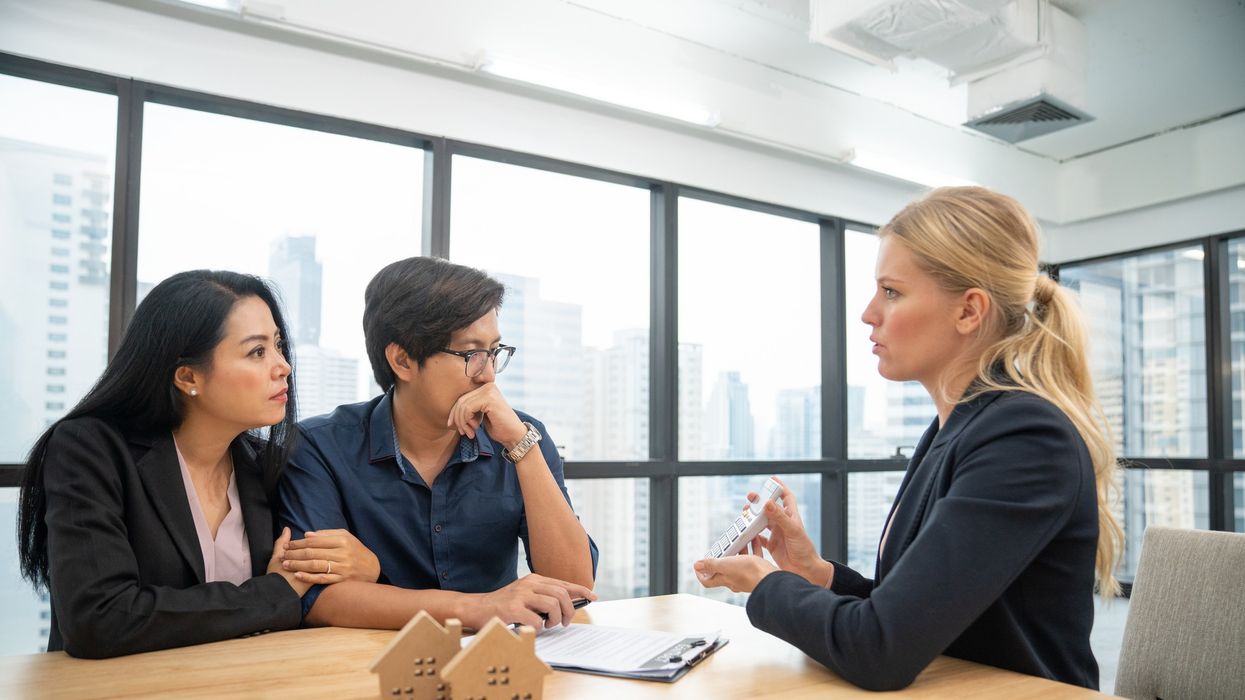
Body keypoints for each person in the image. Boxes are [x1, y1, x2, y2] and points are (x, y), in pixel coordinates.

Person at [694, 186, 1123, 691]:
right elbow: (916, 612)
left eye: (892, 292)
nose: (868, 313)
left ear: (969, 311)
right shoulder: (953, 430)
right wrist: (816, 573)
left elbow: (880, 648)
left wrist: (766, 584)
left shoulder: (1025, 438)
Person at [17, 270, 380, 658]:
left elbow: (309, 593)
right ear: (188, 377)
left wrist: (364, 565)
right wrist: (273, 593)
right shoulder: (89, 448)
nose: (283, 366)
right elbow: (100, 620)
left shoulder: (266, 465)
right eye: (257, 352)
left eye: (277, 345)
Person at [279, 256, 598, 632]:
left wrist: (521, 445)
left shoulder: (521, 435)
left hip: (497, 666)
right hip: (370, 667)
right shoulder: (319, 447)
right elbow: (316, 598)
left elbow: (575, 586)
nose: (489, 374)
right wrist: (479, 607)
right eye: (471, 354)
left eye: (495, 351)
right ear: (402, 360)